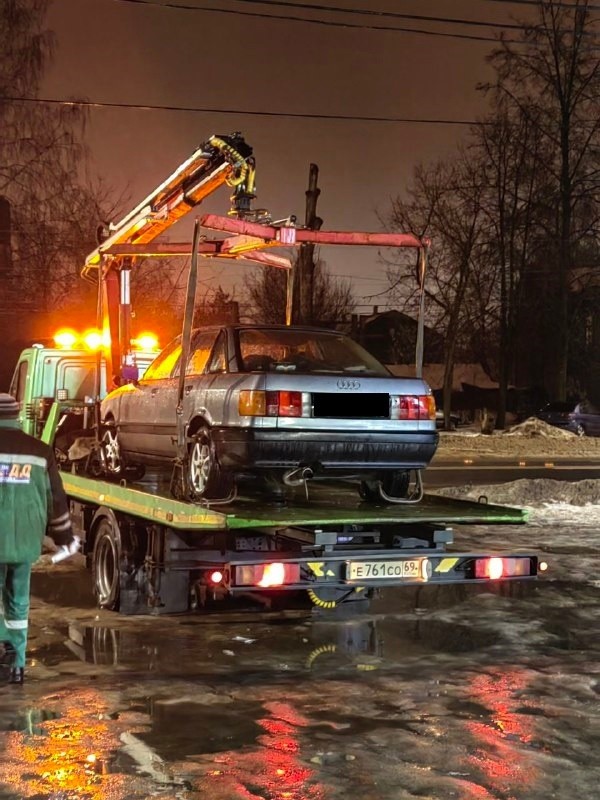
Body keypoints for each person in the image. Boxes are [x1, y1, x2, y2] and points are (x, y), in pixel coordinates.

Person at [0, 393, 77, 684]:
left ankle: (3, 639)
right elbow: (55, 498)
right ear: (17, 416)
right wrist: (63, 536)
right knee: (18, 602)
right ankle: (17, 665)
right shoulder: (39, 451)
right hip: (25, 538)